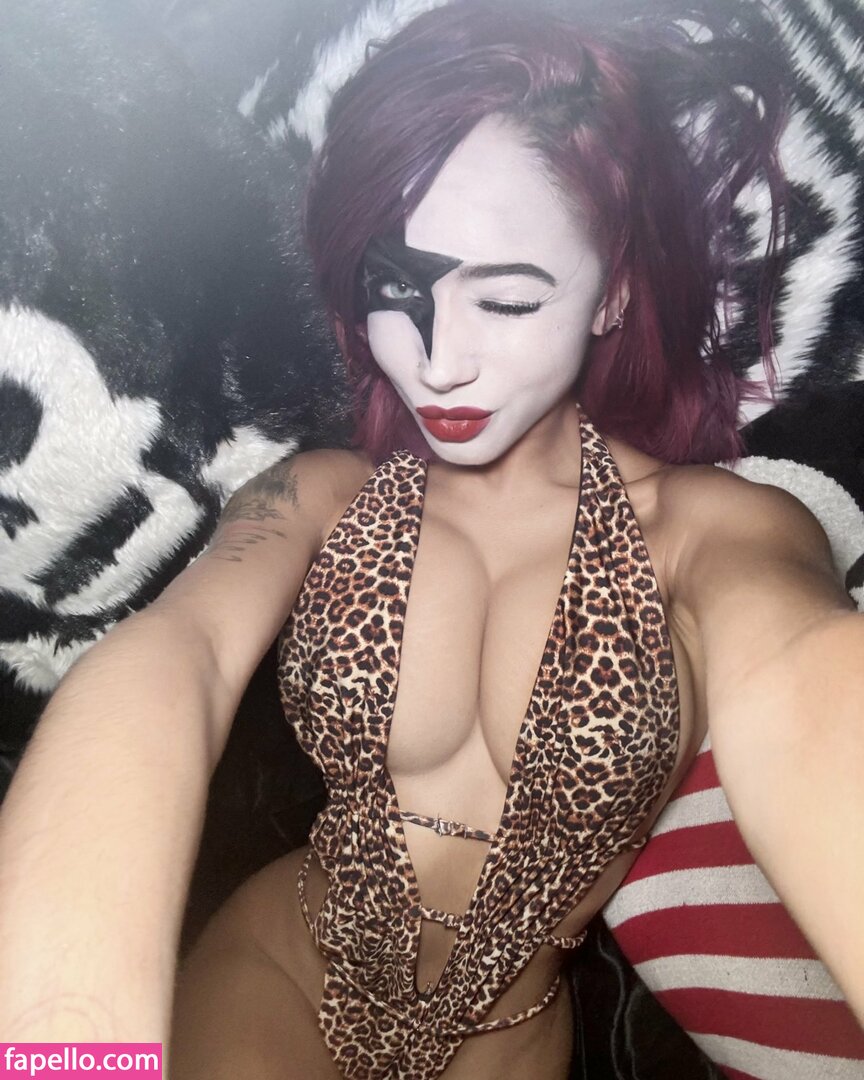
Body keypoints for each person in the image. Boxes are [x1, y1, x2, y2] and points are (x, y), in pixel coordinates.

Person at [0, 2, 862, 1078]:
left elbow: (806, 677)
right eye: (397, 289)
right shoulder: (324, 498)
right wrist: (68, 1050)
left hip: (513, 1041)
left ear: (611, 294)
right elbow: (175, 661)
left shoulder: (712, 532)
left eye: (507, 300)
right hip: (281, 980)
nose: (440, 360)